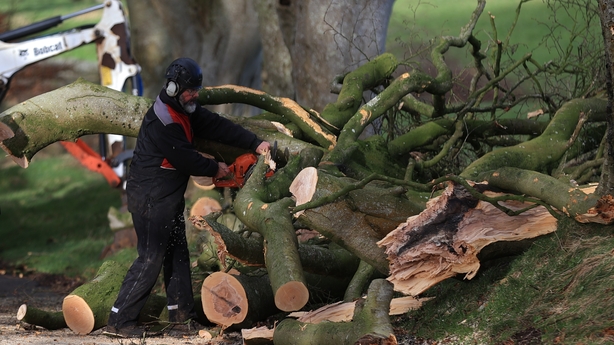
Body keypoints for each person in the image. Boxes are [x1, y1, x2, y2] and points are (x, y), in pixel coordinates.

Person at [104, 57, 270, 338]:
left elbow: (217, 125)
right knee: (150, 259)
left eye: (197, 89)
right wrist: (216, 168)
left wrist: (255, 142)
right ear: (172, 88)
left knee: (177, 255)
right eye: (190, 90)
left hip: (166, 198)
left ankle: (181, 317)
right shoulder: (164, 120)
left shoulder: (186, 108)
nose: (195, 95)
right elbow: (184, 158)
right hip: (149, 199)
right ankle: (119, 320)